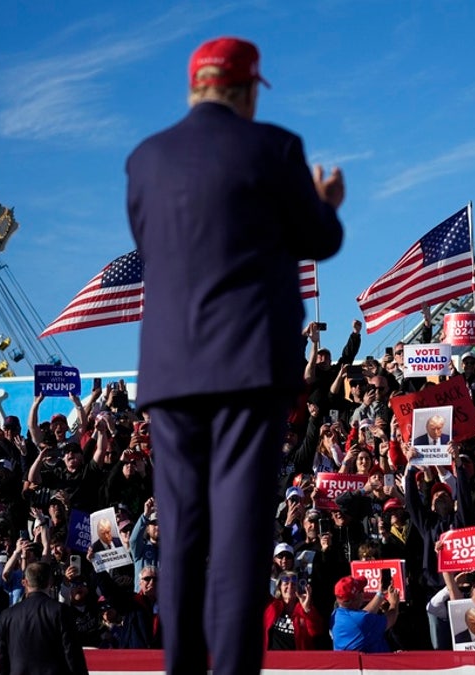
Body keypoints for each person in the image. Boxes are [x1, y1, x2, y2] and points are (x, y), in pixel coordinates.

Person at [127, 36, 344, 675]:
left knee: (183, 531)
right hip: (250, 364)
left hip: (169, 372)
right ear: (248, 90)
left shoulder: (145, 159)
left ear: (195, 87)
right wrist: (325, 202)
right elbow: (320, 239)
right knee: (241, 533)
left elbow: (153, 241)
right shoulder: (273, 148)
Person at [0, 561, 89, 675]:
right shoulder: (60, 611)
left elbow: (2, 656)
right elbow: (72, 653)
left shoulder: (7, 615)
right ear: (50, 582)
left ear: (24, 583)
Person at [330, 575, 398, 653]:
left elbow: (363, 615)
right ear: (355, 598)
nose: (364, 593)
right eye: (361, 590)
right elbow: (390, 619)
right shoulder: (361, 621)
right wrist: (394, 602)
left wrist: (380, 594)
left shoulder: (336, 615)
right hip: (377, 663)